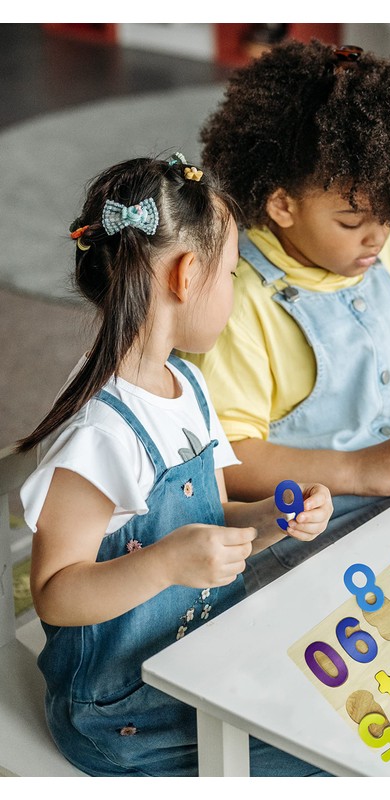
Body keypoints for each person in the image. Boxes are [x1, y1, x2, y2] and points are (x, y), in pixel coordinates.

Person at [16, 155, 333, 777]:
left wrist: (276, 518)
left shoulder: (187, 383)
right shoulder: (100, 435)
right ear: (187, 277)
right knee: (315, 759)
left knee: (336, 706)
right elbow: (55, 594)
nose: (237, 291)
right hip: (121, 710)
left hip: (202, 659)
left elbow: (215, 519)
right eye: (234, 273)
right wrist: (163, 562)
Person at [185, 40, 390, 589]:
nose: (376, 236)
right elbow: (229, 465)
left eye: (389, 216)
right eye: (352, 221)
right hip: (299, 539)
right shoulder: (239, 302)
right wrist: (358, 470)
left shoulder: (380, 251)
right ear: (282, 205)